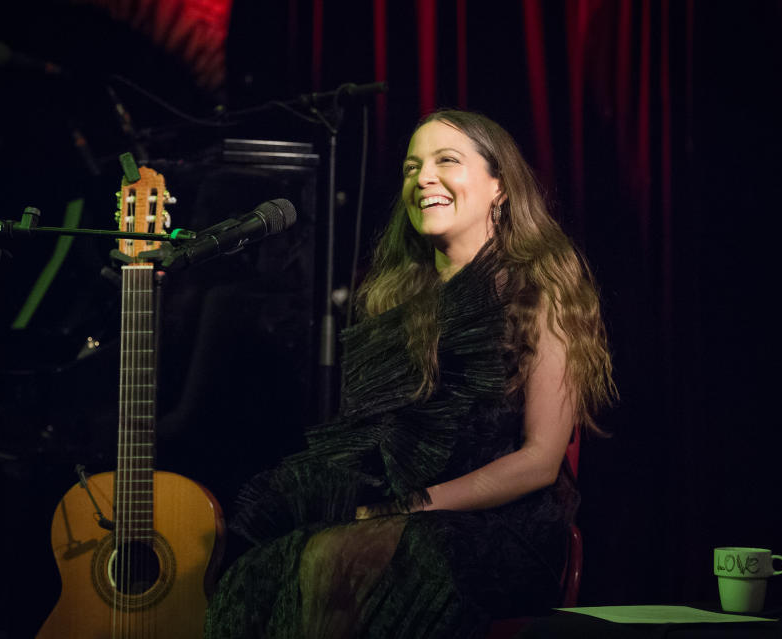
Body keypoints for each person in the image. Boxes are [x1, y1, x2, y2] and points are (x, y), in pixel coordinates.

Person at [203, 109, 616, 638]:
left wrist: (405, 508)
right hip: (392, 515)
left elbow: (539, 462)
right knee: (258, 572)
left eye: (447, 160)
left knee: (343, 557)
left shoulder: (541, 288)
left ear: (500, 187)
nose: (422, 177)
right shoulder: (393, 297)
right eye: (410, 166)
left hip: (498, 528)